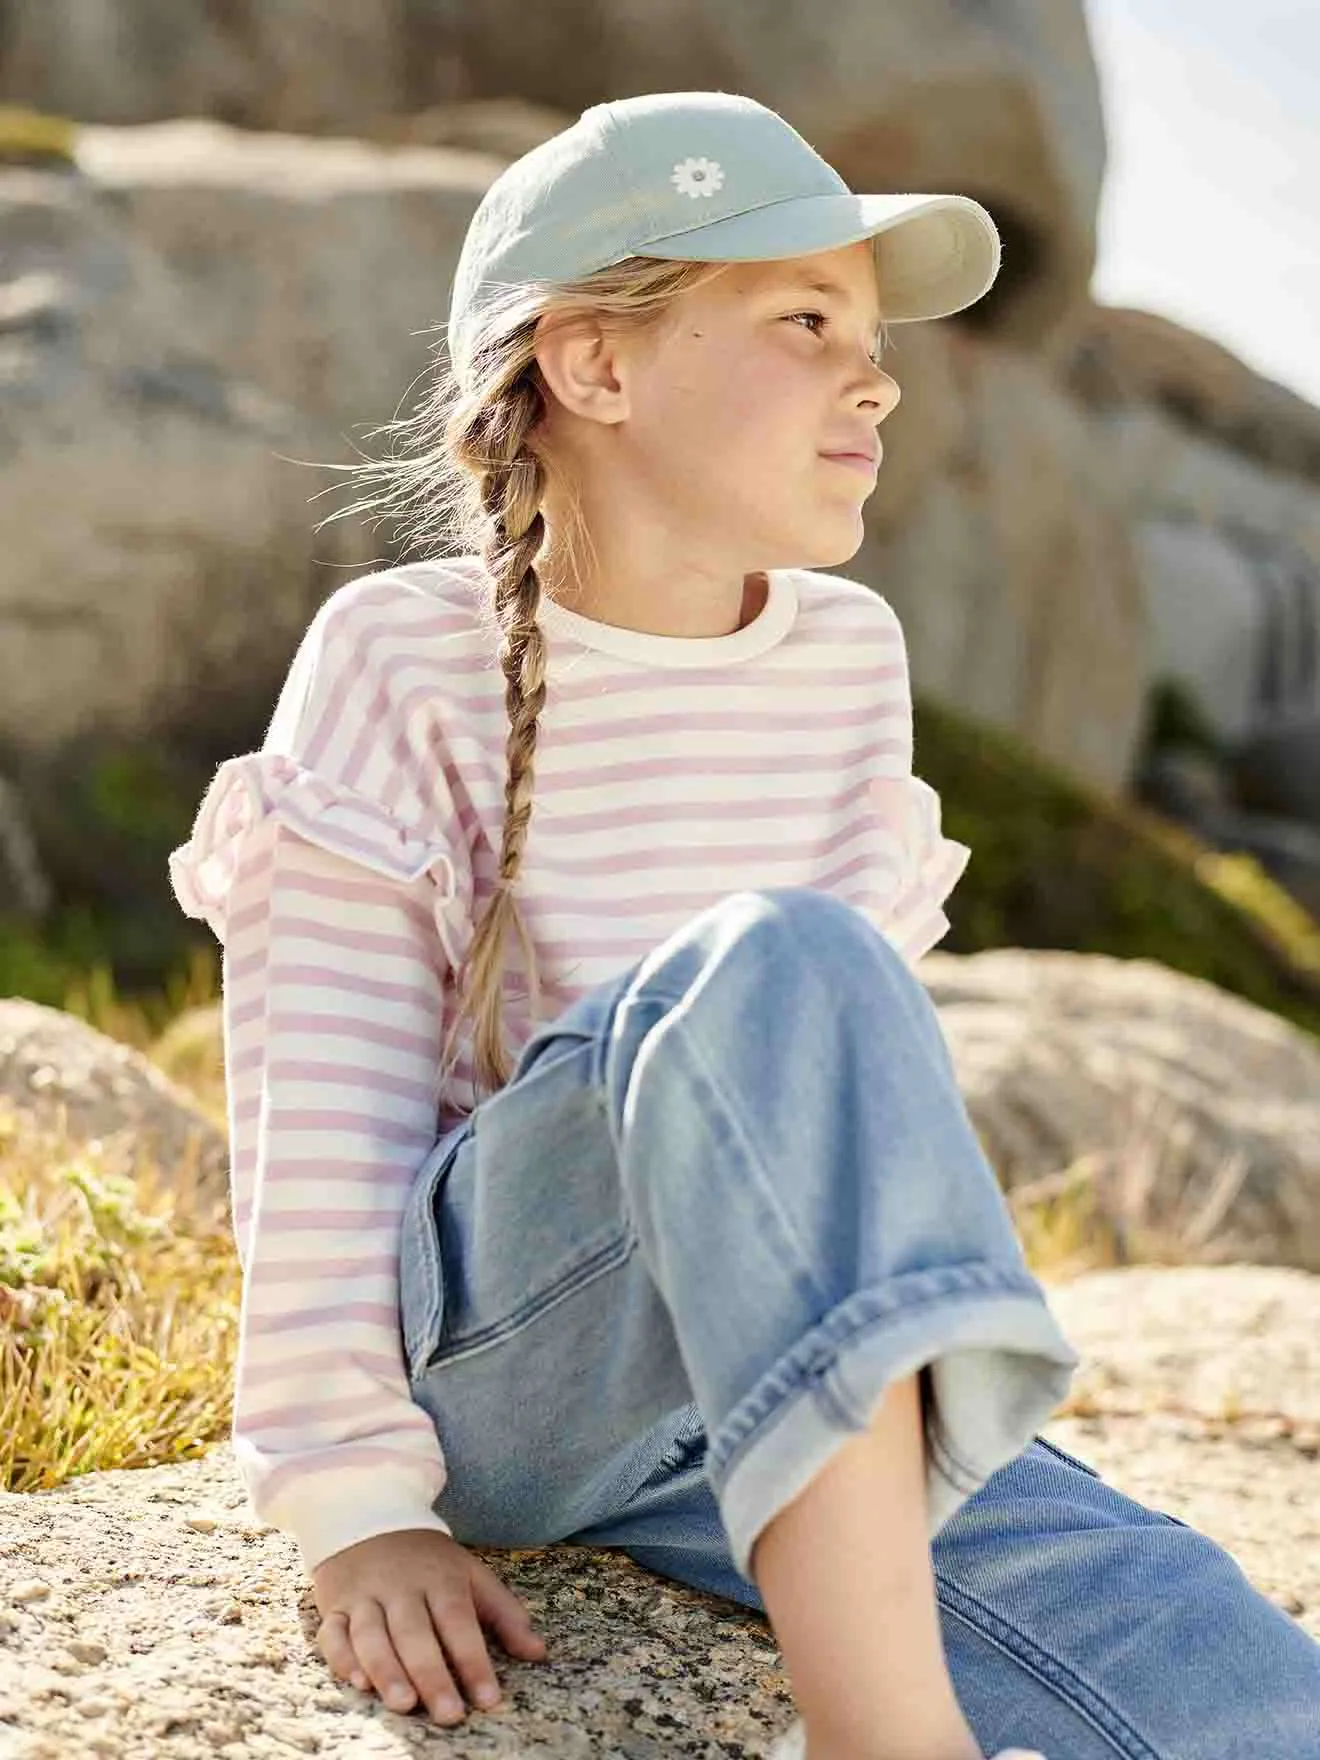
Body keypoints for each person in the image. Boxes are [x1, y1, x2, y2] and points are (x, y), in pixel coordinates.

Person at [168, 90, 1320, 1760]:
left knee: (1252, 1701)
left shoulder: (846, 660)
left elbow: (848, 1123)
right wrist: (357, 1505)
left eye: (872, 331)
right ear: (596, 365)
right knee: (785, 959)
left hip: (768, 1386)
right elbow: (319, 1106)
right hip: (509, 1361)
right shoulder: (397, 656)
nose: (879, 374)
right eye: (806, 319)